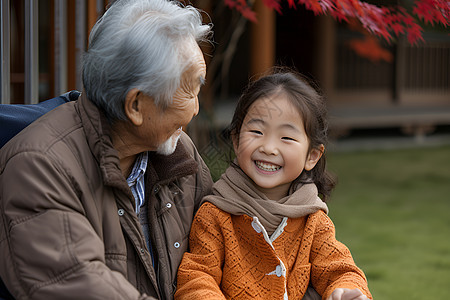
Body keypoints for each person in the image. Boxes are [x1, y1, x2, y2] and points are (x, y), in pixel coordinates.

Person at [0, 0, 213, 299]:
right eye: (189, 90)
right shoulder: (38, 167)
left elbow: (223, 245)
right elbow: (78, 284)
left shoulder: (178, 152)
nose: (196, 109)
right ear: (136, 105)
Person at [175, 69, 372, 300]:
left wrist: (346, 289)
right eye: (257, 131)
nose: (268, 147)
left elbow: (338, 268)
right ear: (237, 141)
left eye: (286, 137)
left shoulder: (313, 220)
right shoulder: (215, 214)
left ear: (312, 156)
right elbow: (197, 276)